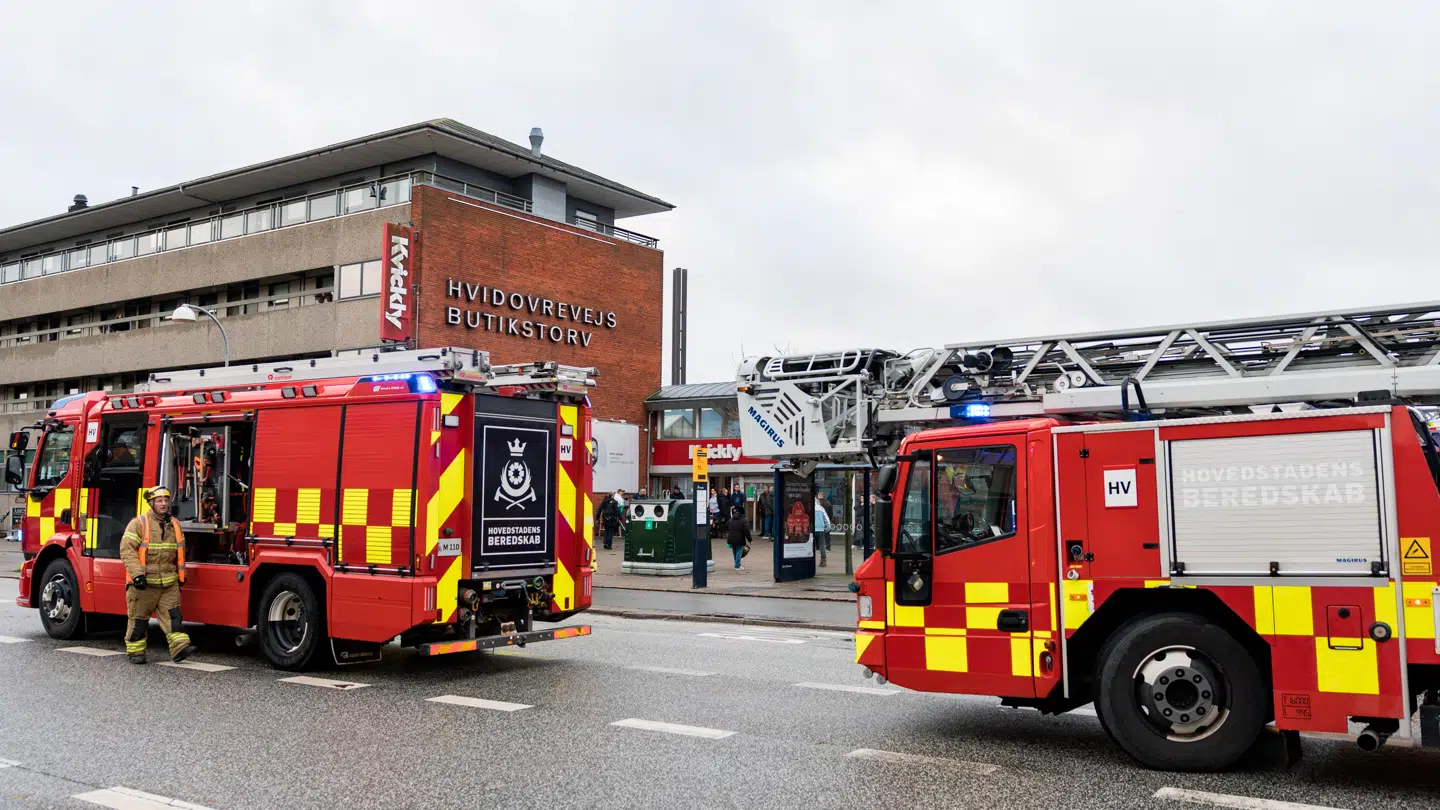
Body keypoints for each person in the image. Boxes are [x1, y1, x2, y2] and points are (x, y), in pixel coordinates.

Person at [120, 487, 198, 664]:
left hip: (169, 583)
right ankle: (136, 652)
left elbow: (179, 552)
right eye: (159, 501)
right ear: (151, 503)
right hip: (144, 584)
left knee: (174, 618)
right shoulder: (139, 523)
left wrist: (181, 576)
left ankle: (180, 648)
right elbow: (127, 550)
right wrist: (137, 575)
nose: (163, 504)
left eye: (165, 500)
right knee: (138, 621)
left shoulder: (175, 525)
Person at [726, 505, 751, 570]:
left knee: (735, 552)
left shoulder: (731, 519)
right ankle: (737, 566)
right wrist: (750, 539)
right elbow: (747, 531)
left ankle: (737, 564)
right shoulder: (744, 520)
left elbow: (726, 526)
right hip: (740, 539)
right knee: (739, 552)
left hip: (731, 538)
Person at [814, 495, 832, 567]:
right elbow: (826, 519)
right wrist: (828, 528)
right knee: (822, 545)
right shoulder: (821, 508)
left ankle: (810, 560)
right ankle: (823, 560)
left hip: (812, 529)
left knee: (812, 546)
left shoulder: (809, 508)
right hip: (821, 529)